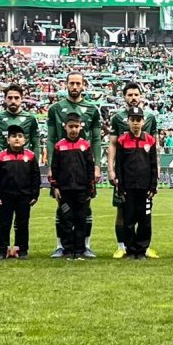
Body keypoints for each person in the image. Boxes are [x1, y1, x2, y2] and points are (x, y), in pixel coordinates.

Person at [46, 72, 102, 258]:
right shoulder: (56, 108)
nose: (75, 86)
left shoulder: (92, 109)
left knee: (85, 208)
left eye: (78, 83)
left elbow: (95, 140)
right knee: (61, 207)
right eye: (72, 83)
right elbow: (51, 138)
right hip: (62, 169)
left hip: (82, 170)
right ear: (66, 85)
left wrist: (96, 166)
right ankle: (61, 246)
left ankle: (85, 246)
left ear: (83, 85)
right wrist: (50, 167)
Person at [107, 82, 159, 259]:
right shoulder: (117, 119)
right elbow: (113, 145)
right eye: (129, 95)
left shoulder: (150, 118)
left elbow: (153, 152)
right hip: (127, 179)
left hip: (144, 179)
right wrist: (111, 169)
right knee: (124, 213)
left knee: (145, 216)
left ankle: (143, 247)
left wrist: (154, 180)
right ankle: (123, 247)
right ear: (124, 97)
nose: (133, 98)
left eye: (136, 94)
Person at [0, 123, 41, 260]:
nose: (16, 139)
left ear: (25, 140)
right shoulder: (0, 156)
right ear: (8, 140)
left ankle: (21, 250)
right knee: (4, 224)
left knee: (22, 224)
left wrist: (34, 195)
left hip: (24, 197)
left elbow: (36, 177)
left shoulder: (30, 156)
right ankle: (3, 250)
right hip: (5, 197)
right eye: (13, 136)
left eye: (19, 136)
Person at [48, 112, 95, 260]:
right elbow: (54, 169)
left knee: (81, 219)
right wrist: (55, 187)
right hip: (65, 191)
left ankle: (80, 249)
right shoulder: (59, 146)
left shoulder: (85, 145)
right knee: (66, 219)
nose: (73, 129)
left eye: (76, 126)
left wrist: (90, 188)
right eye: (71, 127)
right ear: (65, 127)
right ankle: (67, 249)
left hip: (82, 190)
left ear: (81, 127)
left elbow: (90, 168)